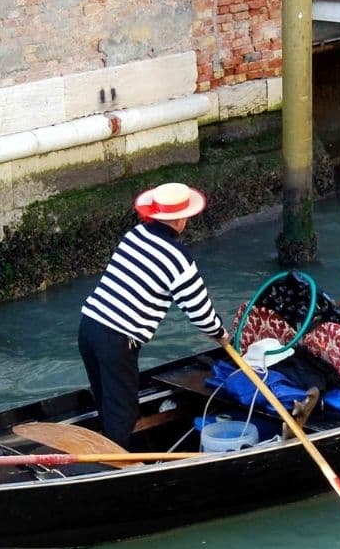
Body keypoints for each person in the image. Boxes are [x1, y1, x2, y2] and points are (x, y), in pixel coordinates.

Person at [78, 182, 228, 447]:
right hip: (116, 339)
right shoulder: (178, 258)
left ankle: (111, 452)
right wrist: (221, 335)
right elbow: (199, 312)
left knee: (107, 403)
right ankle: (115, 471)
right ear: (181, 219)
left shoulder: (134, 234)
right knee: (122, 415)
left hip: (89, 327)